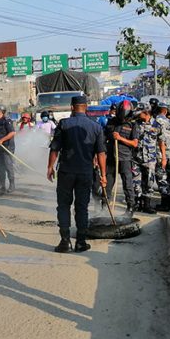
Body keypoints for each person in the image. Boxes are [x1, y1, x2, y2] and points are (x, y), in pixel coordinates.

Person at [47, 95, 107, 253]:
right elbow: (101, 154)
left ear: (72, 107)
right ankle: (81, 241)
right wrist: (104, 175)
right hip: (85, 173)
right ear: (86, 107)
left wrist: (50, 167)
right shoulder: (96, 127)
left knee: (64, 206)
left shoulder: (64, 124)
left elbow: (55, 148)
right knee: (82, 207)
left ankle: (65, 242)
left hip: (66, 172)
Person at [104, 100, 139, 213]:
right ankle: (104, 207)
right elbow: (103, 140)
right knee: (108, 185)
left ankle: (130, 207)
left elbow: (134, 143)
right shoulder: (111, 122)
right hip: (111, 159)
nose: (123, 120)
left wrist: (120, 138)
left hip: (125, 159)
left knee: (127, 185)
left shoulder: (133, 125)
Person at [133, 103, 163, 214]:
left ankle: (147, 204)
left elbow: (161, 141)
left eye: (139, 113)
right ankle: (137, 203)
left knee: (149, 182)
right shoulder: (136, 124)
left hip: (150, 159)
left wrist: (163, 157)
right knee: (136, 182)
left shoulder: (157, 124)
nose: (137, 115)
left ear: (146, 113)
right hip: (137, 158)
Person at [153, 102, 170, 211]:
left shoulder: (156, 122)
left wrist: (162, 156)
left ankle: (165, 203)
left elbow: (160, 140)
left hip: (160, 154)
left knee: (162, 179)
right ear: (166, 111)